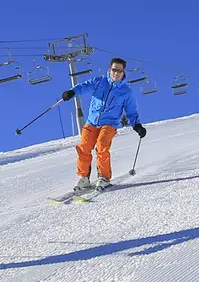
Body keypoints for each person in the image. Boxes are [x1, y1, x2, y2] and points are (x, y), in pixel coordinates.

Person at [59, 56, 147, 194]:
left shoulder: (126, 92)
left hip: (109, 123)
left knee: (101, 145)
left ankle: (104, 177)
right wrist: (72, 92)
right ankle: (83, 177)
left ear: (123, 72)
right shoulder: (100, 81)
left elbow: (131, 111)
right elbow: (84, 86)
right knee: (84, 147)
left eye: (119, 71)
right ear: (110, 70)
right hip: (92, 121)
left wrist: (137, 125)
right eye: (114, 70)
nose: (116, 73)